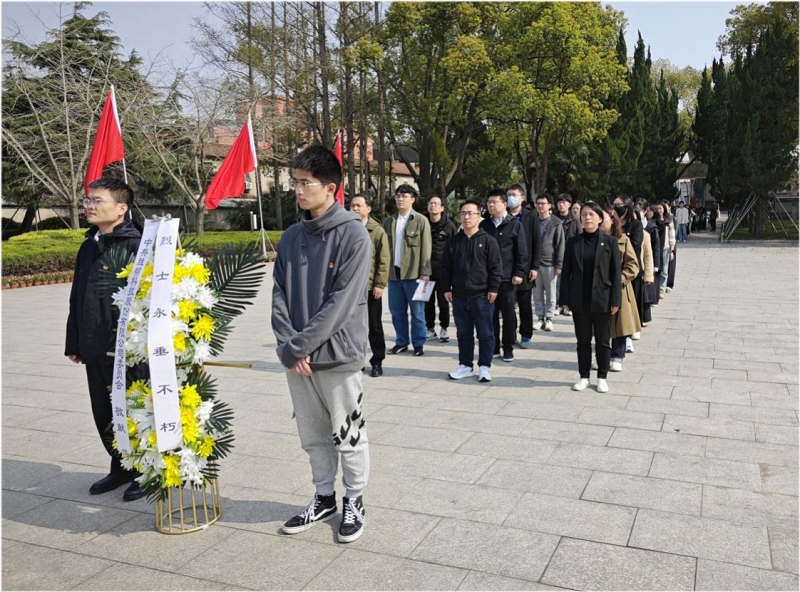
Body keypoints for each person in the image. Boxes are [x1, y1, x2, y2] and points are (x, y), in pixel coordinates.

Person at [273, 145, 371, 543]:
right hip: (298, 358)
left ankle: (355, 499)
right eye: (294, 182)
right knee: (312, 434)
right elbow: (279, 295)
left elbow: (342, 303)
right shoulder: (291, 236)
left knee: (348, 433)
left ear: (331, 188)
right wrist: (288, 346)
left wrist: (300, 346)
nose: (297, 190)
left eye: (305, 183)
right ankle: (324, 496)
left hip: (338, 355)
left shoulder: (353, 233)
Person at [65, 177, 145, 501]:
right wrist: (75, 342)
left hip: (129, 350)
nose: (90, 206)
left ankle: (147, 469)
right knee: (103, 410)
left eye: (98, 200)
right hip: (94, 345)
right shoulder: (89, 246)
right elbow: (77, 296)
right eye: (88, 200)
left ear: (122, 208)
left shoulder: (138, 245)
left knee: (135, 407)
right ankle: (121, 465)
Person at [559, 202, 621, 394]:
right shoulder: (573, 242)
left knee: (603, 341)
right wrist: (565, 299)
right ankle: (584, 376)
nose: (587, 218)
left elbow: (615, 274)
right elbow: (566, 273)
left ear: (600, 218)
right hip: (580, 299)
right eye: (584, 214)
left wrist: (615, 300)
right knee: (583, 341)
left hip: (602, 298)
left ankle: (602, 377)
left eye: (591, 214)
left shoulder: (610, 242)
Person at [441, 199, 503, 383]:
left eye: (470, 213)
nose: (466, 217)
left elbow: (496, 268)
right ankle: (465, 365)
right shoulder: (453, 242)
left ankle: (484, 366)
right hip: (459, 295)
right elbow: (445, 268)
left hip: (482, 296)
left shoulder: (488, 241)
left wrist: (494, 288)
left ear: (479, 216)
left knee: (485, 333)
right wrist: (446, 288)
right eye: (463, 213)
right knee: (463, 333)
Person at [383, 184, 432, 356]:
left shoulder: (420, 220)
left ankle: (418, 344)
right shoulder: (389, 221)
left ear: (413, 199)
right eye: (398, 196)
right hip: (394, 274)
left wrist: (425, 272)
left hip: (414, 274)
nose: (400, 199)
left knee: (417, 312)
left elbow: (426, 247)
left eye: (404, 196)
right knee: (397, 312)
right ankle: (401, 342)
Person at [480, 189, 528, 362]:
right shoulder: (484, 225)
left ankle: (508, 347)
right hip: (487, 278)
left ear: (504, 204)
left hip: (507, 277)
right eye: (489, 202)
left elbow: (521, 251)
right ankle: (493, 346)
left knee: (508, 314)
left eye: (495, 202)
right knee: (490, 314)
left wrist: (519, 272)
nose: (491, 205)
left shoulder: (515, 225)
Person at [349, 193, 389, 378]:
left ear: (368, 208)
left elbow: (384, 260)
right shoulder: (346, 228)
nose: (355, 208)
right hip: (350, 288)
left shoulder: (377, 231)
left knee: (374, 326)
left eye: (359, 205)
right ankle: (356, 360)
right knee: (352, 327)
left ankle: (377, 361)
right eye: (352, 205)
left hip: (370, 287)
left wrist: (380, 284)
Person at [601, 207, 641, 372]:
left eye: (602, 217)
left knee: (620, 324)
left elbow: (633, 265)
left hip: (620, 289)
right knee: (601, 324)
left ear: (612, 220)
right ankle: (602, 356)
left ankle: (617, 356)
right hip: (599, 289)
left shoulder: (623, 240)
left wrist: (620, 279)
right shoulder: (592, 240)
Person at [506, 184, 541, 349]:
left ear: (522, 198)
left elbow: (536, 241)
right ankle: (510, 334)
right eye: (508, 195)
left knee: (525, 305)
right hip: (506, 268)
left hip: (525, 267)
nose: (510, 198)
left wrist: (535, 267)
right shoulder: (502, 215)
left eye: (514, 195)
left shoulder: (530, 216)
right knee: (508, 306)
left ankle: (526, 335)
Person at [425, 195, 457, 343]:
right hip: (425, 271)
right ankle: (430, 329)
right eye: (431, 203)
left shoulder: (449, 226)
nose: (433, 206)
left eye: (436, 203)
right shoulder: (423, 223)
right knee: (427, 303)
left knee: (443, 302)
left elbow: (455, 248)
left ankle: (444, 328)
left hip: (443, 272)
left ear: (442, 207)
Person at [532, 192, 565, 331]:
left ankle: (549, 318)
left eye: (543, 204)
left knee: (551, 294)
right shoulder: (532, 220)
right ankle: (540, 318)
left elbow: (560, 245)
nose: (540, 206)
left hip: (550, 263)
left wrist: (559, 264)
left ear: (549, 205)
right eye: (538, 203)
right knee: (537, 293)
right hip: (534, 264)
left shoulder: (556, 223)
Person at [554, 193, 582, 316]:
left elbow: (580, 237)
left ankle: (568, 306)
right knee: (557, 282)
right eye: (559, 202)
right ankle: (557, 305)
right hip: (556, 254)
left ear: (569, 204)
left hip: (571, 254)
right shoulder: (553, 219)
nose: (561, 205)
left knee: (570, 281)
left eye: (564, 202)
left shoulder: (575, 220)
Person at [656, 202, 675, 298]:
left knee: (664, 270)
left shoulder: (668, 220)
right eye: (657, 208)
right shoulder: (654, 220)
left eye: (661, 208)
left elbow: (672, 235)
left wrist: (672, 250)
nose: (659, 210)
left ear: (664, 209)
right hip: (656, 248)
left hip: (665, 248)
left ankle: (661, 289)